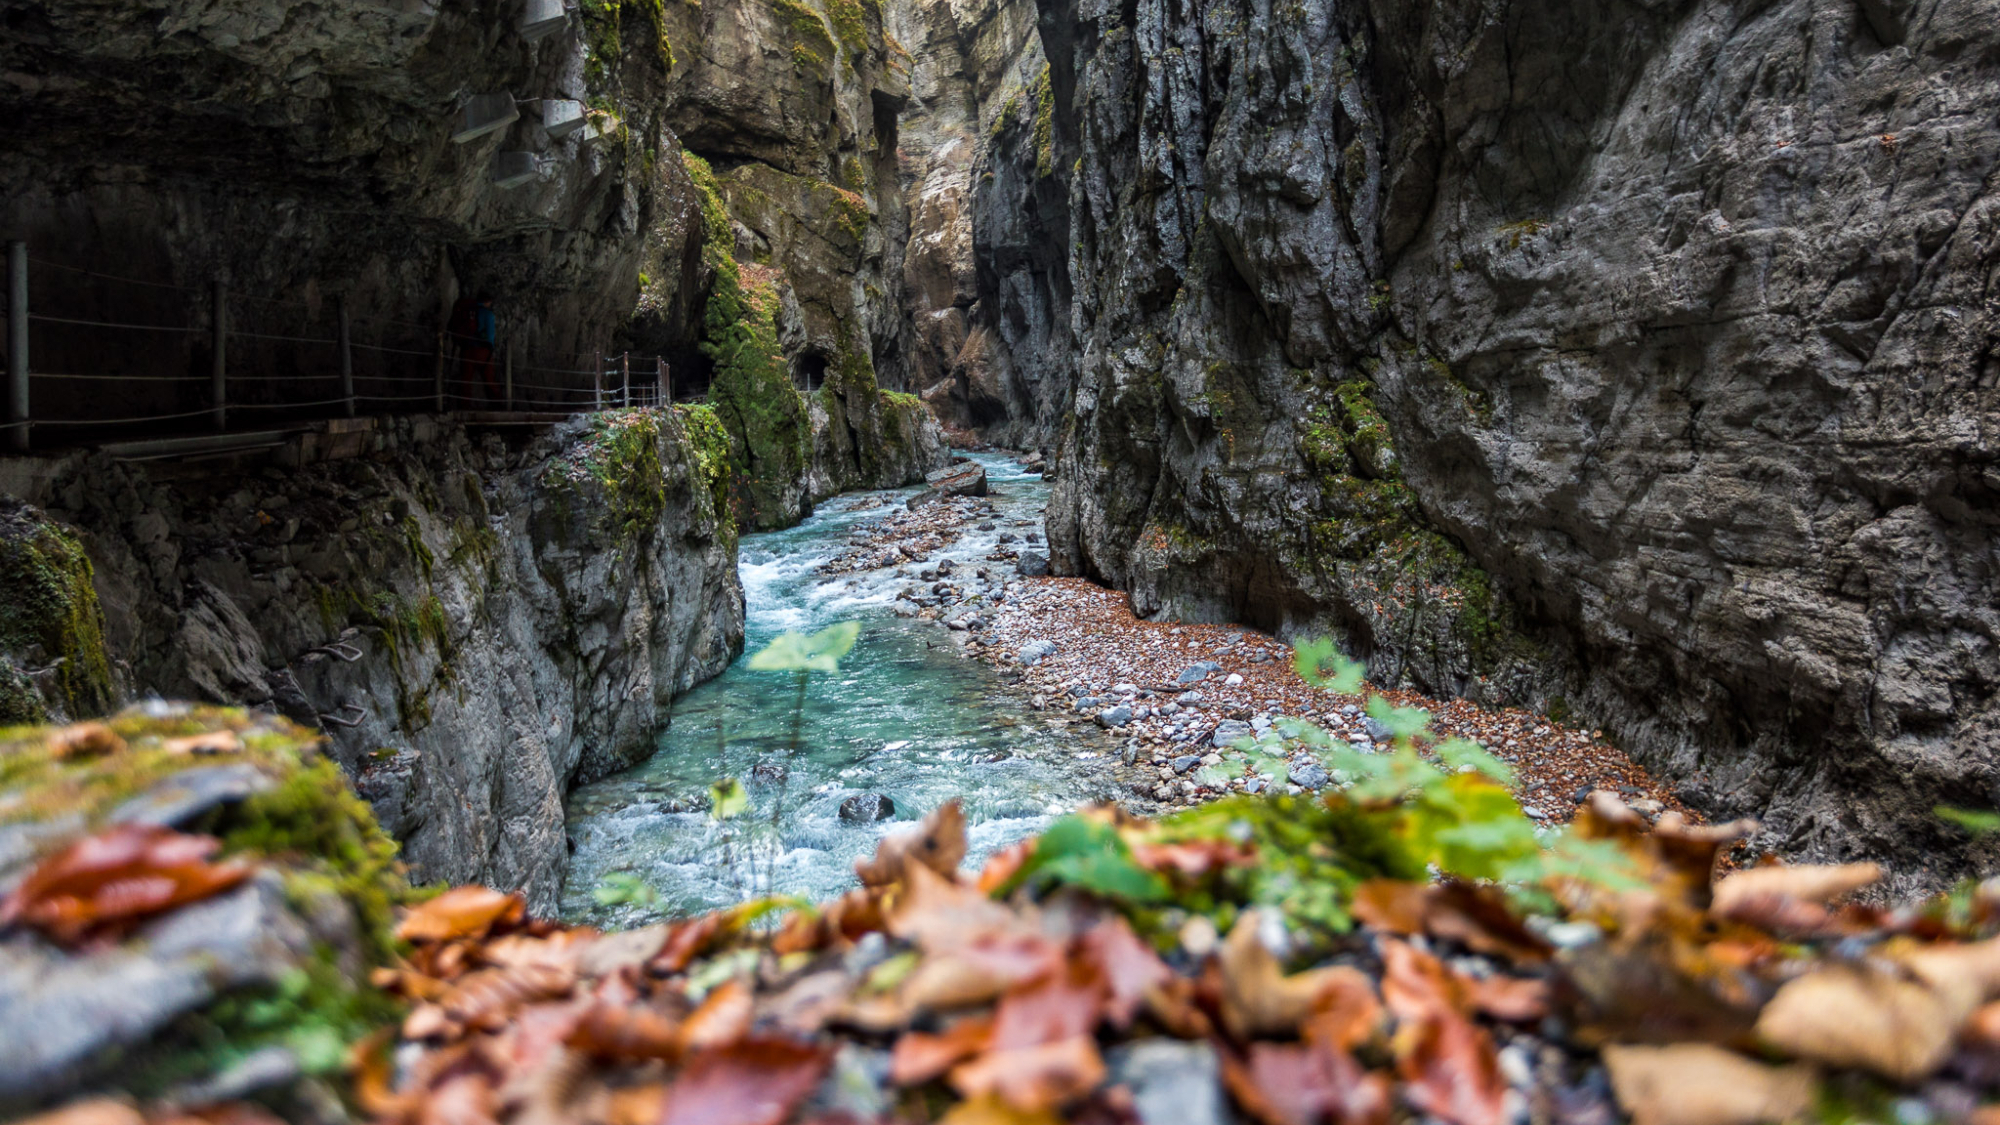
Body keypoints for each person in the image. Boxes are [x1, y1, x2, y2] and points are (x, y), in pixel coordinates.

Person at [448, 293, 501, 402]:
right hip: (482, 351)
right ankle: (499, 404)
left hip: (466, 349)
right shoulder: (488, 314)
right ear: (488, 301)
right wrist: (490, 349)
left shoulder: (467, 312)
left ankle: (465, 407)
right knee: (489, 379)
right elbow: (490, 335)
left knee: (466, 380)